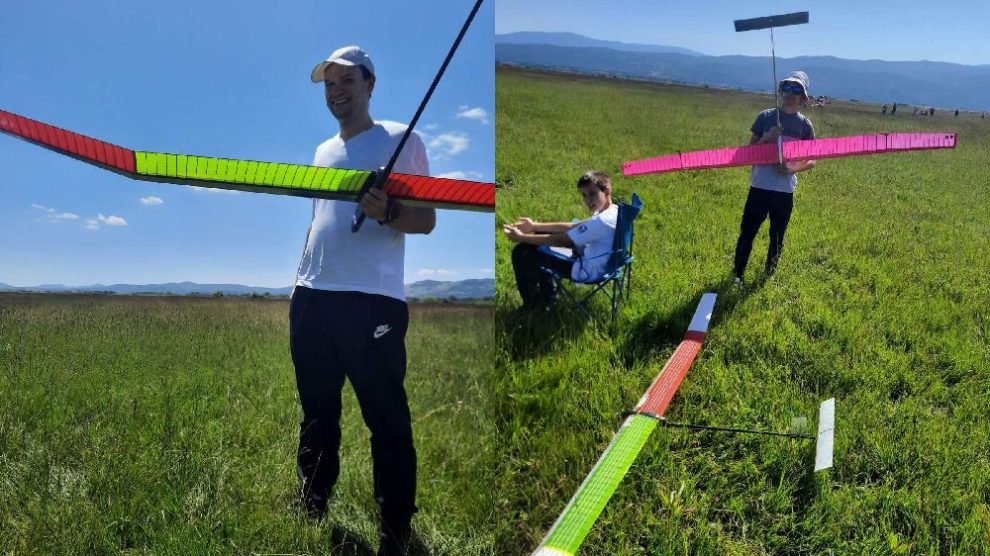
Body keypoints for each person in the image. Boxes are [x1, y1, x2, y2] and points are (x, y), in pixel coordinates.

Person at [292, 45, 436, 556]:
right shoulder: (321, 151)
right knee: (316, 412)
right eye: (329, 84)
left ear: (370, 84)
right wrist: (299, 281)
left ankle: (395, 528)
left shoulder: (402, 139)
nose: (336, 92)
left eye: (346, 81)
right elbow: (318, 221)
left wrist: (388, 212)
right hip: (312, 298)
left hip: (372, 302)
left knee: (386, 419)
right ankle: (312, 503)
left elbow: (427, 219)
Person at [733, 70, 816, 284]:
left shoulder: (805, 125)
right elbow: (748, 152)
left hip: (784, 192)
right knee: (747, 232)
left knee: (777, 235)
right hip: (759, 187)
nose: (789, 93)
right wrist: (766, 138)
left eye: (796, 90)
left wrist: (791, 169)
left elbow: (811, 160)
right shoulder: (765, 117)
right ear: (780, 92)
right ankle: (737, 276)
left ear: (803, 98)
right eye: (786, 88)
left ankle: (768, 276)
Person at [503, 171, 617, 309]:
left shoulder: (602, 221)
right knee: (541, 233)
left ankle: (535, 306)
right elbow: (574, 227)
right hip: (598, 261)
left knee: (522, 251)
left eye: (592, 194)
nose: (588, 200)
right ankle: (549, 294)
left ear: (606, 191)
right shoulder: (614, 211)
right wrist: (534, 226)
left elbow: (563, 241)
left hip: (586, 270)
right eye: (584, 195)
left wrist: (520, 237)